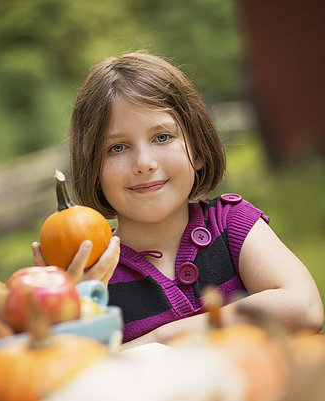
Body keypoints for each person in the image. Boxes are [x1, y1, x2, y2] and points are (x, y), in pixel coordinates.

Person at [32, 51, 324, 346]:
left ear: (196, 150)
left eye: (162, 137)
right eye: (118, 147)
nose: (144, 163)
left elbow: (305, 308)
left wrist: (162, 337)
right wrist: (70, 306)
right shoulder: (91, 275)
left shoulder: (232, 224)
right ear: (93, 169)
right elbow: (75, 373)